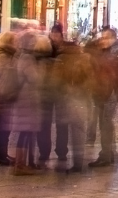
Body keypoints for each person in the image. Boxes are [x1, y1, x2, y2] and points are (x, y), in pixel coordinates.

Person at [12, 32, 50, 175]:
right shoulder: (27, 58)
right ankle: (20, 165)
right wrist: (42, 68)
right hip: (27, 99)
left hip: (26, 99)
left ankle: (25, 163)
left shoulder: (22, 56)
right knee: (25, 133)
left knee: (27, 132)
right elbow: (35, 78)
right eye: (33, 42)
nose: (35, 45)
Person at [55, 33, 94, 173]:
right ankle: (78, 163)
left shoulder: (60, 59)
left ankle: (61, 154)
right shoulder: (85, 59)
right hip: (81, 99)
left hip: (64, 99)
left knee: (62, 129)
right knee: (79, 132)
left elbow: (55, 81)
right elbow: (90, 80)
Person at [86, 28, 118, 167]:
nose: (103, 40)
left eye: (106, 37)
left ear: (113, 38)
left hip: (110, 92)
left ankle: (106, 155)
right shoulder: (106, 51)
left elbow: (110, 71)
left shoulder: (115, 53)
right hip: (102, 91)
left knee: (105, 124)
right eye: (102, 37)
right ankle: (110, 153)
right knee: (105, 123)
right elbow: (87, 49)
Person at [37, 24, 68, 168]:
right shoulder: (44, 49)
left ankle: (62, 151)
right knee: (44, 123)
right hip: (46, 91)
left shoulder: (64, 50)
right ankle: (44, 151)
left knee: (62, 123)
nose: (55, 37)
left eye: (57, 34)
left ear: (61, 36)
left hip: (61, 91)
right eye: (53, 34)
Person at [0, 31, 20, 166]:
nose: (17, 43)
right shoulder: (4, 57)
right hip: (3, 95)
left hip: (1, 93)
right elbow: (5, 77)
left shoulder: (2, 54)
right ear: (9, 42)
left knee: (3, 126)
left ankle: (2, 155)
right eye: (15, 40)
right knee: (3, 127)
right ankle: (1, 156)